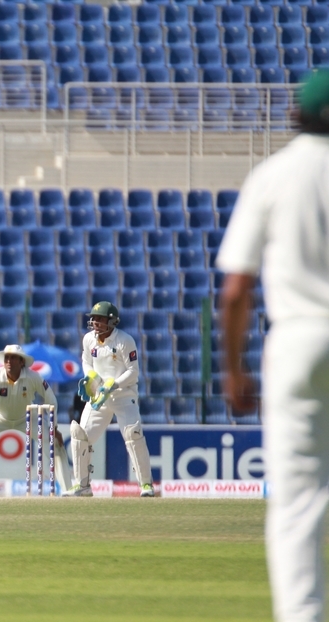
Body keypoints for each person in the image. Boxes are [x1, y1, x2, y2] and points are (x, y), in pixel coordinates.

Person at [217, 68, 329, 622]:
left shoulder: (274, 175)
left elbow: (236, 289)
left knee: (298, 502)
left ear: (295, 115)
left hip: (299, 342)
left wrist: (233, 369)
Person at [63, 301, 154, 498]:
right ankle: (82, 485)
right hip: (99, 397)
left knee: (133, 435)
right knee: (80, 434)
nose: (95, 322)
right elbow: (87, 362)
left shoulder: (124, 340)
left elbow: (133, 372)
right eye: (93, 318)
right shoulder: (88, 339)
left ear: (112, 321)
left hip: (123, 395)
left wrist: (113, 385)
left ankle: (146, 485)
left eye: (100, 319)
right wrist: (92, 378)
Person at [0, 344, 72, 493]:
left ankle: (68, 491)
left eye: (13, 358)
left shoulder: (34, 377)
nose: (9, 361)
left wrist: (54, 428)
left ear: (22, 362)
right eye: (6, 358)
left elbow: (51, 400)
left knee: (56, 446)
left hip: (27, 418)